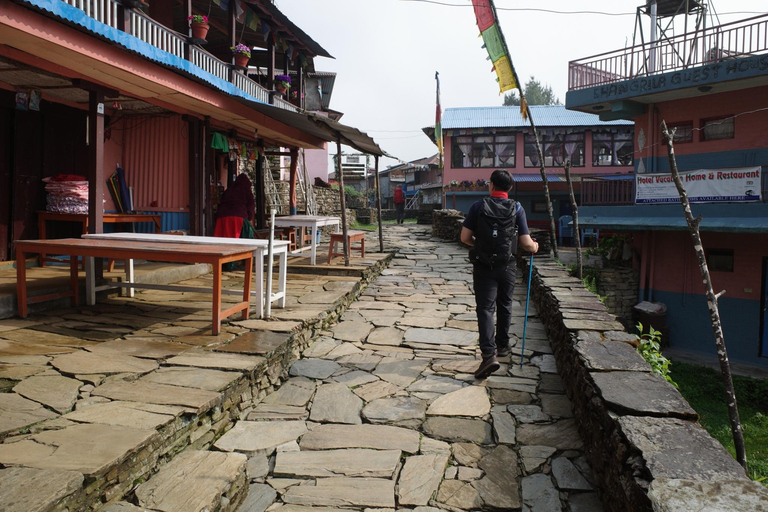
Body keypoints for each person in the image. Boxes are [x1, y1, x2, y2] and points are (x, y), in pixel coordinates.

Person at [460, 170, 539, 379]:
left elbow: (464, 237)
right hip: (507, 266)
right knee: (505, 304)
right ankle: (502, 346)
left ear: (491, 185)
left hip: (484, 265)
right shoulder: (517, 208)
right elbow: (525, 242)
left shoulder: (478, 206)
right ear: (510, 188)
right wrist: (535, 247)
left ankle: (488, 355)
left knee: (485, 309)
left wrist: (479, 245)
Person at [214, 173, 255, 239]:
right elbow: (250, 205)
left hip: (222, 217)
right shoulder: (247, 191)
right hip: (238, 217)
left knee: (222, 241)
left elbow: (221, 202)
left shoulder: (228, 190)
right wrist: (249, 218)